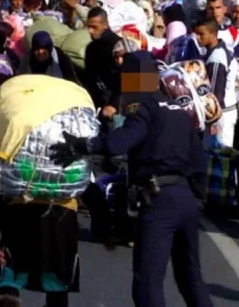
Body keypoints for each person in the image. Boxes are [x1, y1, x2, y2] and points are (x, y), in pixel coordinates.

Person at [50, 52, 212, 307]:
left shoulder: (145, 109)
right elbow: (198, 163)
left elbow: (118, 143)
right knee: (190, 279)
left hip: (159, 201)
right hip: (187, 201)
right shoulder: (181, 113)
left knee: (147, 283)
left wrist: (83, 145)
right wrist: (196, 197)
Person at [194, 19, 239, 148]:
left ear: (213, 34)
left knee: (220, 156)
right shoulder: (216, 52)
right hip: (220, 114)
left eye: (201, 34)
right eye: (196, 33)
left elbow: (214, 94)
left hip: (220, 116)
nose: (197, 38)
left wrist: (211, 120)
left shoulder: (217, 58)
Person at [83, 8, 121, 123]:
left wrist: (114, 105)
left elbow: (130, 79)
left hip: (117, 104)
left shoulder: (118, 46)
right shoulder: (91, 48)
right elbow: (89, 78)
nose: (90, 31)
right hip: (99, 102)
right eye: (88, 26)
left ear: (105, 25)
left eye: (94, 27)